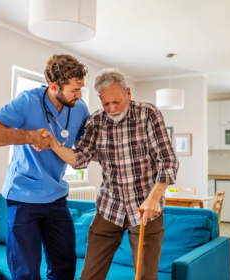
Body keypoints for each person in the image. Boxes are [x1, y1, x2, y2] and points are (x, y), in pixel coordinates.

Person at [36, 68, 179, 280]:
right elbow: (81, 158)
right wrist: (54, 145)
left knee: (146, 277)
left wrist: (154, 199)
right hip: (109, 207)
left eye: (117, 101)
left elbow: (167, 160)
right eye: (105, 104)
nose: (112, 109)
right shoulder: (96, 122)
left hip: (145, 209)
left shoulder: (148, 114)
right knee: (89, 276)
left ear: (128, 93)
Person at [0, 54, 90, 280]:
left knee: (65, 268)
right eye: (74, 90)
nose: (79, 95)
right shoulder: (27, 102)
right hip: (22, 197)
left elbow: (85, 149)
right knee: (25, 273)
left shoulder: (80, 108)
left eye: (81, 88)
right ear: (54, 86)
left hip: (56, 198)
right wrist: (29, 136)